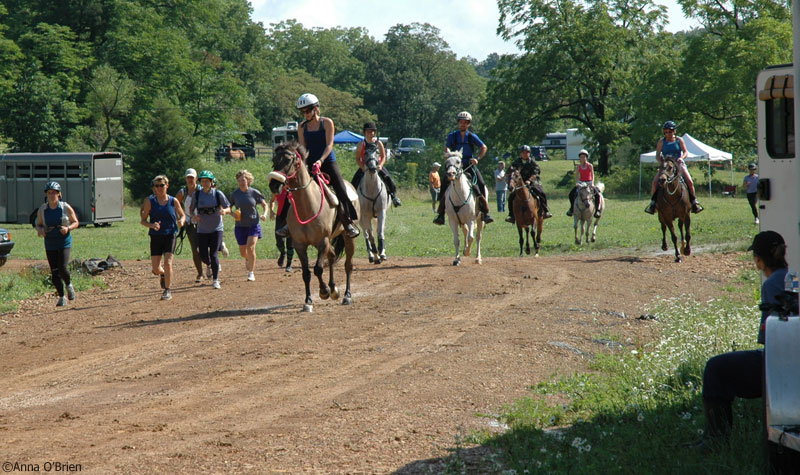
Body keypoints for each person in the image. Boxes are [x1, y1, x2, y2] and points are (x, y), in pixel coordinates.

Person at [690, 231, 788, 450]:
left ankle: (715, 440)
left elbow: (770, 337)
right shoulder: (794, 277)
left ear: (759, 259)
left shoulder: (771, 286)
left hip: (779, 364)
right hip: (792, 358)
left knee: (716, 368)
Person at [276, 93, 359, 238]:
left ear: (316, 108)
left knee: (340, 189)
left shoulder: (327, 122)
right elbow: (302, 148)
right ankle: (287, 225)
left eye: (308, 110)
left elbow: (329, 145)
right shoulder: (302, 127)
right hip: (309, 163)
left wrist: (320, 161)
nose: (305, 114)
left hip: (327, 161)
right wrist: (303, 164)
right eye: (303, 112)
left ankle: (348, 223)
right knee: (293, 190)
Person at [434, 111, 494, 225]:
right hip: (455, 166)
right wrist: (447, 154)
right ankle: (441, 214)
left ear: (469, 124)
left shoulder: (472, 136)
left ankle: (485, 212)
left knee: (480, 184)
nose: (463, 124)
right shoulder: (452, 136)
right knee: (444, 184)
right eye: (461, 122)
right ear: (458, 123)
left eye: (465, 123)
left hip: (468, 165)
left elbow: (484, 147)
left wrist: (477, 158)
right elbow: (446, 148)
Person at [140, 175, 186, 301]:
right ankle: (163, 275)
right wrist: (152, 225)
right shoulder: (150, 202)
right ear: (154, 188)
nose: (159, 188)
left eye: (162, 185)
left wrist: (181, 221)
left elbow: (182, 215)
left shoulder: (173, 201)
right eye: (157, 186)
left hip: (170, 235)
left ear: (167, 186)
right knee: (155, 268)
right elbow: (143, 221)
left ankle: (167, 290)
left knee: (168, 262)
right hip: (155, 236)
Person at [35, 181, 79, 307]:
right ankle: (61, 297)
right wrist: (40, 230)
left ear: (59, 194)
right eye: (49, 193)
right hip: (50, 242)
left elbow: (76, 222)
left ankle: (69, 285)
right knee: (54, 271)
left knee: (62, 267)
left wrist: (68, 229)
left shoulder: (65, 207)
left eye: (54, 193)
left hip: (64, 241)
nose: (51, 195)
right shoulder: (42, 210)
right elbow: (37, 225)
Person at [645, 121, 704, 214]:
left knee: (689, 181)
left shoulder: (679, 140)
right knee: (655, 182)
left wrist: (681, 157)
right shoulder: (661, 141)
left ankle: (694, 202)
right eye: (666, 131)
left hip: (678, 164)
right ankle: (653, 203)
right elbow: (657, 155)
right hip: (666, 166)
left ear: (674, 131)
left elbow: (685, 152)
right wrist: (661, 162)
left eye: (670, 131)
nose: (668, 133)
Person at [190, 170, 230, 289]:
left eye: (207, 181)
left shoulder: (218, 194)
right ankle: (210, 265)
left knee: (213, 255)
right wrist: (194, 216)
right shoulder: (196, 195)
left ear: (212, 182)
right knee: (202, 254)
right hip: (202, 229)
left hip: (216, 228)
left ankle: (215, 279)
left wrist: (224, 211)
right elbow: (191, 210)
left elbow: (228, 207)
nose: (205, 183)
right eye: (203, 181)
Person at [230, 169, 269, 282]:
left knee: (250, 247)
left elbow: (264, 204)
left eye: (243, 180)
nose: (242, 182)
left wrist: (265, 214)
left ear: (248, 180)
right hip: (240, 225)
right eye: (239, 181)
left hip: (253, 224)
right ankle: (247, 258)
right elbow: (229, 207)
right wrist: (232, 214)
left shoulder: (254, 192)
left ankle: (251, 272)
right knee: (243, 252)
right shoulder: (235, 194)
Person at [351, 122, 402, 207]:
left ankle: (394, 197)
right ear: (364, 133)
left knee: (388, 178)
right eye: (368, 132)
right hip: (365, 166)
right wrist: (362, 167)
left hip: (377, 166)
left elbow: (383, 156)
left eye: (372, 132)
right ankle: (352, 201)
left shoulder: (379, 143)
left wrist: (381, 165)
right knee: (354, 181)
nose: (371, 134)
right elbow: (357, 158)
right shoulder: (361, 145)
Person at [504, 145, 553, 224]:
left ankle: (545, 211)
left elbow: (536, 172)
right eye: (523, 152)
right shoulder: (516, 162)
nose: (525, 154)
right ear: (520, 153)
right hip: (519, 183)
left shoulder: (532, 162)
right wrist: (509, 178)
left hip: (532, 182)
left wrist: (529, 180)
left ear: (529, 153)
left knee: (541, 193)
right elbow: (509, 171)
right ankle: (511, 215)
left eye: (527, 152)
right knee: (511, 197)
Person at [175, 168, 204, 283]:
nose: (190, 179)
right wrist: (180, 217)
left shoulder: (202, 190)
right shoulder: (183, 192)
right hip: (190, 223)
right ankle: (200, 273)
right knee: (195, 249)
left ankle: (210, 266)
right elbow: (175, 205)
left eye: (192, 177)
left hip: (204, 222)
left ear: (196, 178)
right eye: (188, 177)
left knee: (206, 246)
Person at [566, 149, 601, 218]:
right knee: (571, 194)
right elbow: (577, 176)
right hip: (581, 183)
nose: (582, 158)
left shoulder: (590, 165)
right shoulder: (578, 166)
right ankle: (572, 209)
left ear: (586, 157)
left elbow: (592, 175)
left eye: (584, 157)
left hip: (589, 182)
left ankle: (597, 210)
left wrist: (592, 183)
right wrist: (577, 182)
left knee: (597, 194)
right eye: (581, 157)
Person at [269, 193, 294, 272]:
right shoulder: (278, 190)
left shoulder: (295, 189)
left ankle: (289, 265)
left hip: (292, 218)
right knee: (279, 239)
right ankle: (283, 253)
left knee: (290, 243)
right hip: (280, 218)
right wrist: (272, 210)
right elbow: (272, 200)